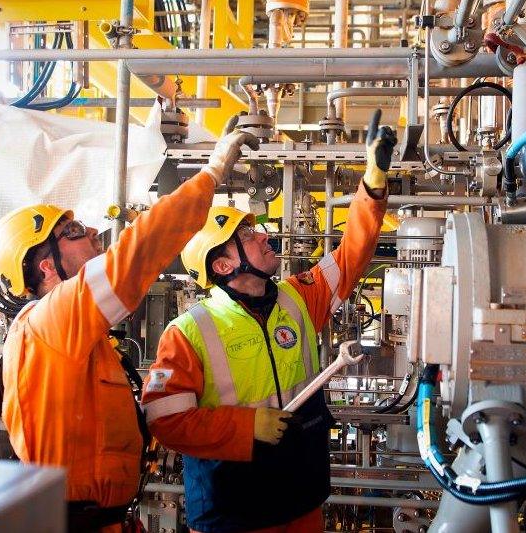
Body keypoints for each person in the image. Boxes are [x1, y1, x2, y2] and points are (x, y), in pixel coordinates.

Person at [0, 130, 260, 531]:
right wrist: (212, 174)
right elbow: (136, 254)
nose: (93, 233)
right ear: (46, 266)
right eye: (74, 233)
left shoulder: (78, 337)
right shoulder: (46, 321)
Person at [142, 111, 397, 533]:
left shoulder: (298, 298)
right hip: (233, 508)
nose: (264, 236)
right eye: (247, 236)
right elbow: (164, 421)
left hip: (298, 496)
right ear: (221, 264)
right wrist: (246, 427)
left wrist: (372, 182)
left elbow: (352, 254)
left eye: (258, 229)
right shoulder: (188, 333)